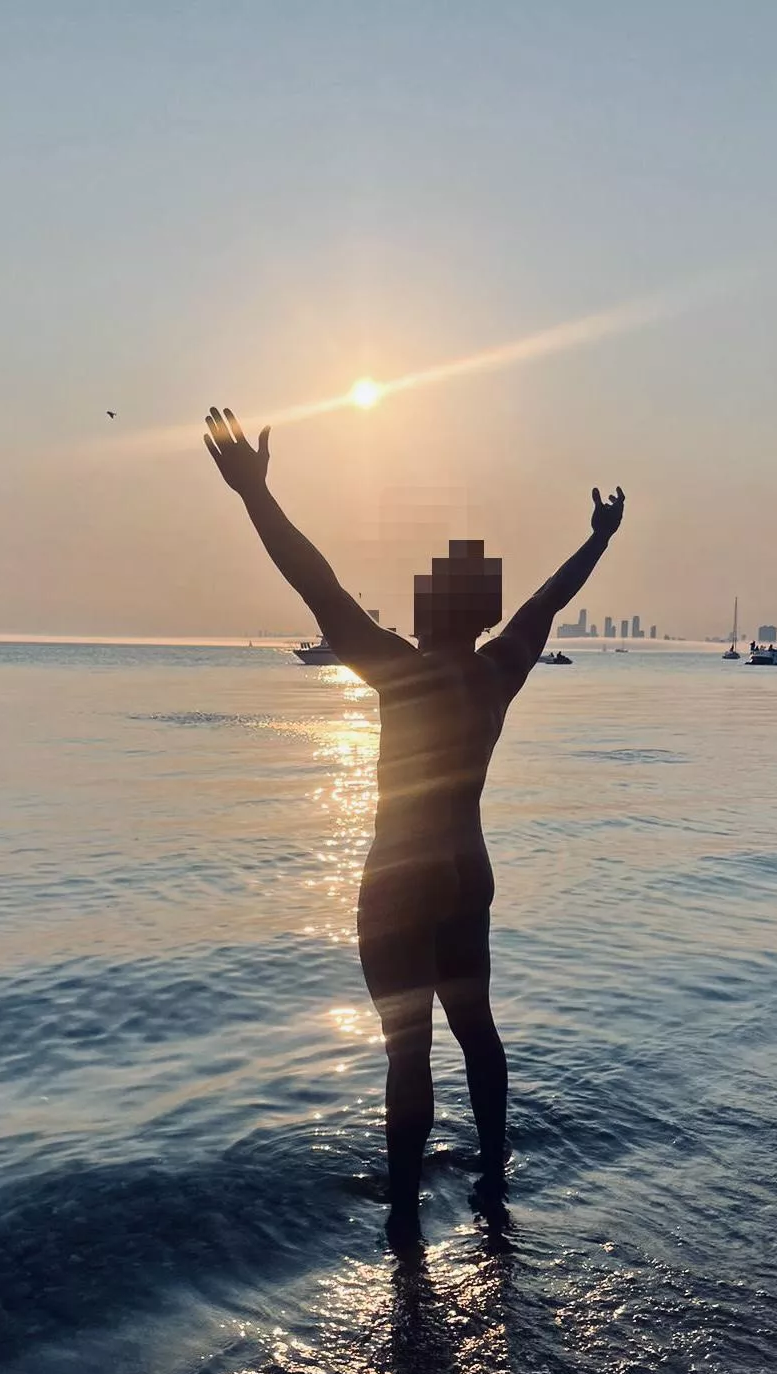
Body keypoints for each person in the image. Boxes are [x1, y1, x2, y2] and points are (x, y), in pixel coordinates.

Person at [204, 406, 624, 1237]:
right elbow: (546, 603)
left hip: (401, 877)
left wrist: (254, 495)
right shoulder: (496, 671)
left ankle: (403, 1221)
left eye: (428, 586)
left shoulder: (398, 668)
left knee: (409, 1050)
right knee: (477, 1029)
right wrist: (600, 538)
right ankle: (493, 1183)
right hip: (470, 873)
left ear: (434, 607)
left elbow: (313, 580)